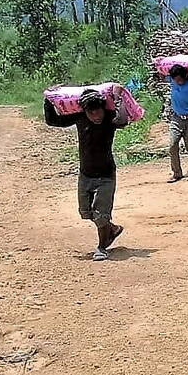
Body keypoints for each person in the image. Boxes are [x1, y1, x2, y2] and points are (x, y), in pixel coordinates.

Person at [44, 90, 128, 261]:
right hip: (85, 175)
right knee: (86, 212)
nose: (96, 115)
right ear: (84, 111)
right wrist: (48, 101)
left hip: (106, 175)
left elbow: (123, 120)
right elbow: (53, 120)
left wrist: (118, 99)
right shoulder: (79, 118)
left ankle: (102, 247)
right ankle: (111, 229)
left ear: (104, 108)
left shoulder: (110, 119)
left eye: (98, 110)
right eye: (91, 112)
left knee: (101, 215)